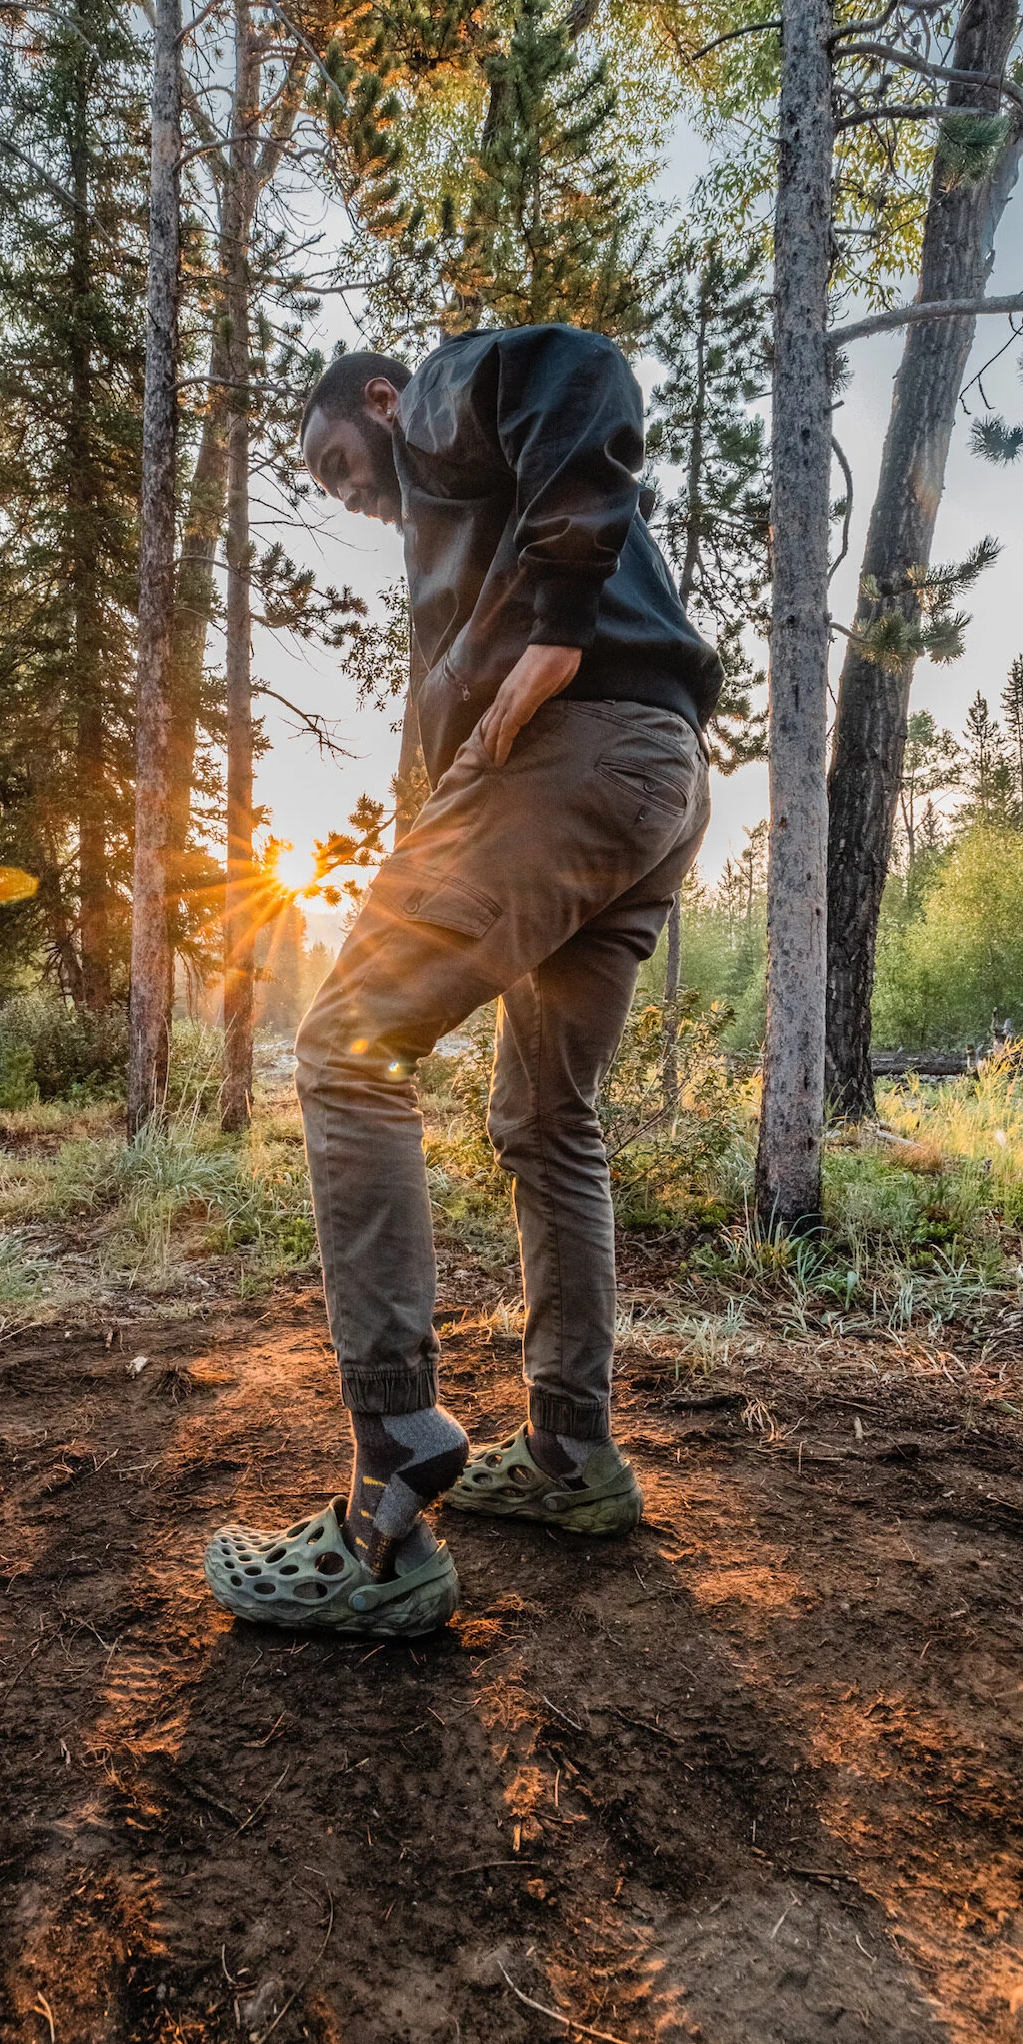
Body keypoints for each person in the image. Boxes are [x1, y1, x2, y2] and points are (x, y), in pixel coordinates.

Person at [203, 325, 724, 1637]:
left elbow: (581, 372)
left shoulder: (434, 400)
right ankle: (569, 1453)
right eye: (329, 487)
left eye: (340, 459)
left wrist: (554, 638)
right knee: (548, 1119)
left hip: (580, 756)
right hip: (656, 779)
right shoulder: (462, 525)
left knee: (341, 1045)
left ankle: (387, 1493)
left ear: (381, 402)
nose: (350, 490)